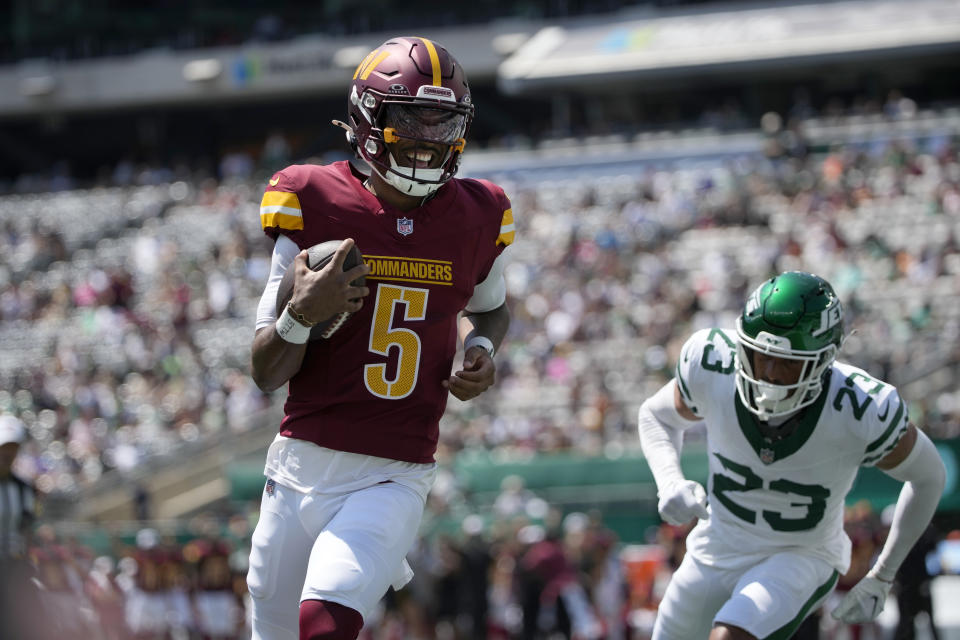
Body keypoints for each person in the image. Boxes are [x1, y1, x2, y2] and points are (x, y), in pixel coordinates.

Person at [246, 36, 513, 640]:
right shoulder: (312, 200)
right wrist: (302, 315)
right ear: (369, 117)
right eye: (410, 119)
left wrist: (482, 348)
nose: (426, 139)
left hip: (396, 469)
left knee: (327, 619)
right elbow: (265, 369)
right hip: (298, 463)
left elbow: (492, 311)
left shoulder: (478, 212)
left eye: (442, 123)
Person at [637, 271, 946, 640]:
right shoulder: (713, 361)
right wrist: (668, 479)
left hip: (801, 554)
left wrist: (883, 573)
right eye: (757, 355)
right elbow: (655, 415)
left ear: (824, 360)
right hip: (716, 546)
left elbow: (929, 476)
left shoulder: (860, 408)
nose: (767, 374)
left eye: (786, 362)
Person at [0, 414, 50, 638]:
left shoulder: (24, 489)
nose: (7, 454)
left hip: (15, 570)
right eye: (3, 447)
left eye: (12, 448)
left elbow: (28, 529)